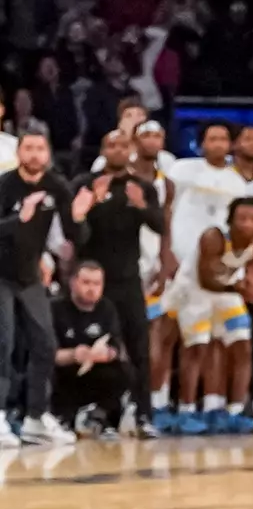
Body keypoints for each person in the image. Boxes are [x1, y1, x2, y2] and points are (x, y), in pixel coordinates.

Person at [152, 122, 253, 430]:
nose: (219, 143)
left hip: (217, 273)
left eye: (224, 138)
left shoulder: (237, 182)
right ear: (201, 144)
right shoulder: (184, 169)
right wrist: (166, 253)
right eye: (212, 138)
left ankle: (211, 407)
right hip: (182, 267)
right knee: (168, 336)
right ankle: (158, 405)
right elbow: (166, 209)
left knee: (212, 342)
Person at [0, 125, 91, 446]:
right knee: (4, 343)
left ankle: (36, 417)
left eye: (40, 148)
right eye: (29, 148)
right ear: (18, 153)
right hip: (1, 274)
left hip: (29, 276)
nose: (35, 154)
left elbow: (75, 238)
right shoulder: (5, 185)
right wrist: (19, 219)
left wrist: (78, 217)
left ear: (48, 154)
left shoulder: (57, 186)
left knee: (45, 344)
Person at [74, 130, 165, 436]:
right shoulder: (85, 184)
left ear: (132, 150)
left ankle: (143, 415)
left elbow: (160, 225)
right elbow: (77, 235)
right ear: (102, 149)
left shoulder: (142, 187)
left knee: (139, 349)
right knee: (97, 347)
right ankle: (98, 414)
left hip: (128, 279)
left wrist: (141, 206)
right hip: (94, 283)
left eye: (123, 145)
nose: (117, 150)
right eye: (111, 145)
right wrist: (89, 208)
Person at [173, 198, 253, 434]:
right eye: (242, 218)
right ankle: (186, 411)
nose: (247, 224)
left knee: (242, 345)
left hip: (226, 290)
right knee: (197, 348)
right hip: (193, 291)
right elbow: (206, 279)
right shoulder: (214, 237)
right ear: (230, 220)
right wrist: (239, 288)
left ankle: (234, 411)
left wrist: (251, 287)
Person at [52, 260, 129, 434]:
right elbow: (48, 353)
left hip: (96, 369)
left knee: (124, 371)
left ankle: (100, 416)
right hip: (66, 372)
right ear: (73, 283)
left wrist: (107, 354)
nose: (91, 288)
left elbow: (117, 347)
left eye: (97, 283)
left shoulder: (107, 308)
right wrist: (73, 354)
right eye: (86, 282)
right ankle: (61, 418)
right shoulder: (56, 308)